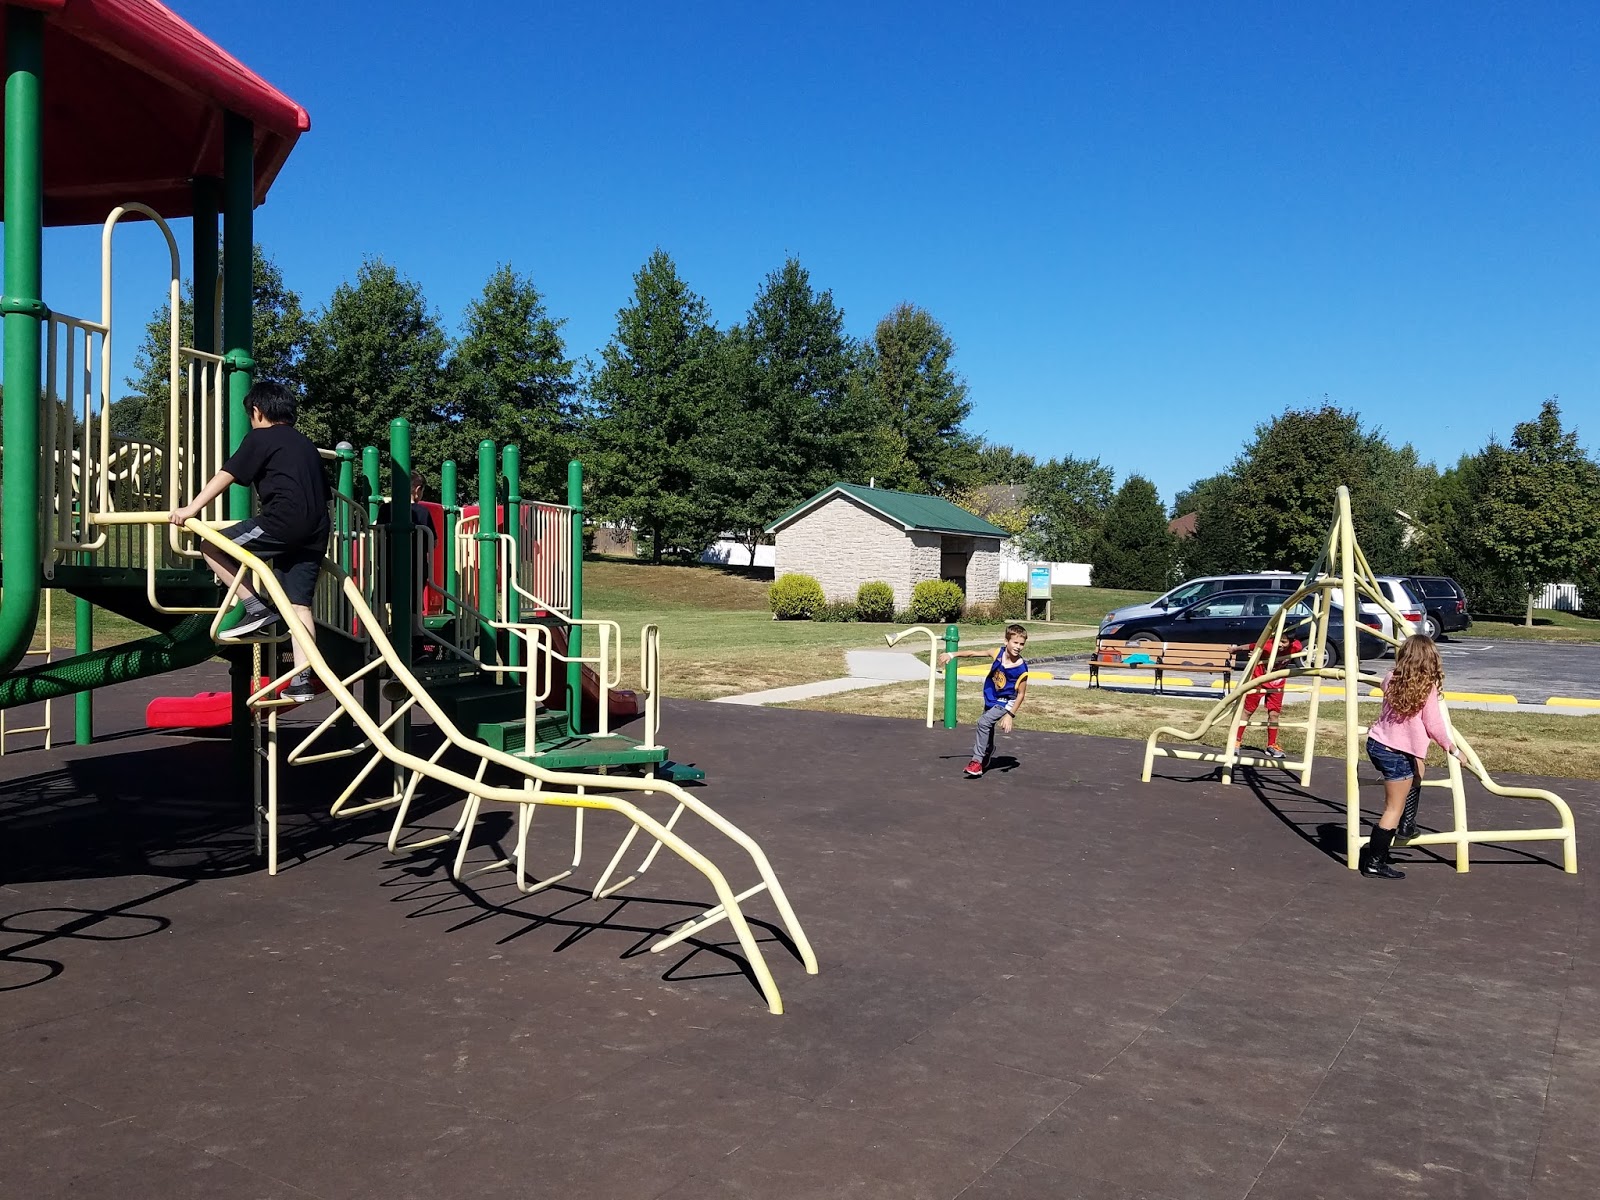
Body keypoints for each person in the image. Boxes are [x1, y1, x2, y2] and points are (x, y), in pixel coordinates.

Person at [170, 380, 330, 703]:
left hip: (285, 521)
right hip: (318, 527)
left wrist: (191, 509)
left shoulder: (261, 438)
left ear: (257, 412)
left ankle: (255, 606)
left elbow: (226, 475)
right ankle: (302, 680)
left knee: (212, 545)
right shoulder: (307, 445)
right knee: (298, 604)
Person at [1361, 635, 1465, 880]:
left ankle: (1408, 825)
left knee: (1418, 767)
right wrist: (1452, 748)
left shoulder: (1390, 678)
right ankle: (1374, 862)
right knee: (1392, 808)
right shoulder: (1427, 688)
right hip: (1394, 752)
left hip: (1378, 744)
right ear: (1431, 660)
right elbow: (1434, 724)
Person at [940, 623, 1029, 779]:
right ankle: (987, 751)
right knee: (988, 726)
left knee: (983, 722)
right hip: (991, 696)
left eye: (1021, 644)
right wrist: (952, 655)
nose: (1018, 647)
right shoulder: (997, 653)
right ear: (1006, 641)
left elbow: (1021, 694)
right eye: (1015, 642)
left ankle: (976, 762)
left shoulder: (1021, 669)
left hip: (1006, 702)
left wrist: (1010, 715)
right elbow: (973, 653)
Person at [1229, 631, 1304, 760]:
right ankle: (1236, 741)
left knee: (1274, 714)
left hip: (1277, 683)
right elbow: (1252, 646)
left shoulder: (1296, 646)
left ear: (1291, 642)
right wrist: (1236, 649)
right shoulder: (1269, 645)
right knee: (1248, 711)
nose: (1280, 645)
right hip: (1259, 680)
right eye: (1278, 641)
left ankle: (1271, 745)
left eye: (1284, 642)